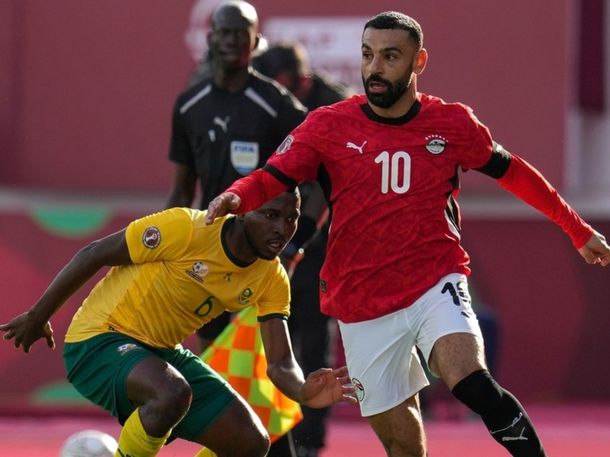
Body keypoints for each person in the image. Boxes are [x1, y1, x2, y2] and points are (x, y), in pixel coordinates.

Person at [204, 11, 610, 457]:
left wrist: (576, 229)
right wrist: (236, 195)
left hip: (434, 279)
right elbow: (272, 177)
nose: (375, 68)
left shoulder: (452, 123)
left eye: (390, 57)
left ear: (419, 62)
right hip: (360, 297)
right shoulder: (327, 125)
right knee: (402, 444)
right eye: (367, 55)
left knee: (471, 381)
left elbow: (514, 173)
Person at [0, 191, 356, 457]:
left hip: (161, 354)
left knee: (251, 443)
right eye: (271, 215)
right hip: (97, 341)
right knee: (172, 393)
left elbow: (279, 362)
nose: (282, 229)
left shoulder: (272, 277)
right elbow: (94, 254)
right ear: (244, 210)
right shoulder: (188, 227)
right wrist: (38, 315)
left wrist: (303, 391)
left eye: (291, 218)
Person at [165, 0, 306, 352]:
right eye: (225, 32)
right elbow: (182, 189)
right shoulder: (189, 105)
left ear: (255, 41)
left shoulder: (276, 104)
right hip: (209, 244)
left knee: (258, 354)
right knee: (210, 350)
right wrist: (165, 243)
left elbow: (315, 170)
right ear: (210, 38)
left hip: (262, 251)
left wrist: (296, 240)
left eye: (241, 34)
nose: (232, 40)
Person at [253, 41, 354, 457]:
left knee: (311, 335)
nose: (282, 98)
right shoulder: (256, 100)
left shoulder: (336, 108)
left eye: (288, 89)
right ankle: (265, 433)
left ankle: (310, 439)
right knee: (264, 338)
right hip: (266, 234)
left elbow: (334, 187)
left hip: (321, 238)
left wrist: (300, 239)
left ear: (305, 81)